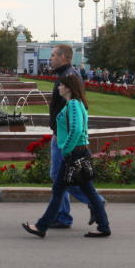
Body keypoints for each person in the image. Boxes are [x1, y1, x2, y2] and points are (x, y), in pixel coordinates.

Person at [22, 73, 111, 238]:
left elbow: (77, 130)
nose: (59, 87)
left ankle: (41, 226)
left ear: (69, 88)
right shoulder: (74, 103)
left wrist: (66, 150)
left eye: (61, 85)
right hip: (78, 151)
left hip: (74, 153)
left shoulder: (74, 105)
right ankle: (104, 226)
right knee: (86, 191)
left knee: (60, 190)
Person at [44, 44, 90, 228]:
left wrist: (63, 136)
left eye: (54, 55)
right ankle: (63, 215)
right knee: (58, 176)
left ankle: (93, 201)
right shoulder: (66, 75)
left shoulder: (69, 76)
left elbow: (74, 108)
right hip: (60, 134)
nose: (51, 58)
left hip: (63, 137)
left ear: (63, 57)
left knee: (60, 175)